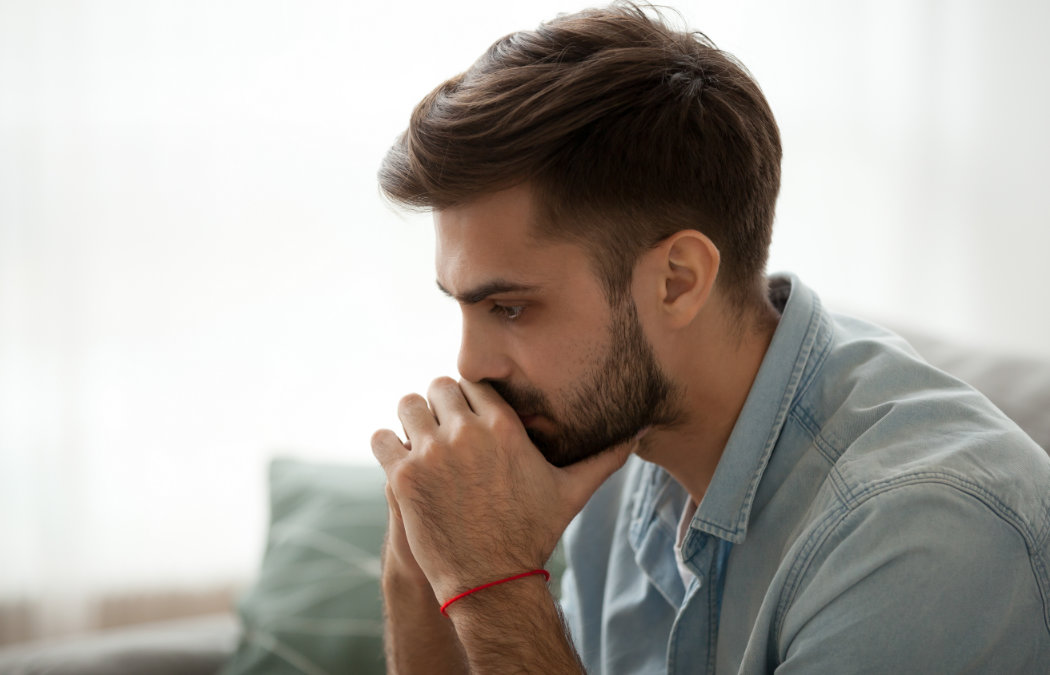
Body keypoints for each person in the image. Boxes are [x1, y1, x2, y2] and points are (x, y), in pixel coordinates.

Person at [369, 3, 1050, 672]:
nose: (470, 364)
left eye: (511, 308)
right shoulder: (611, 438)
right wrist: (420, 568)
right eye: (464, 307)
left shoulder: (924, 535)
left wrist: (494, 581)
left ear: (677, 280)